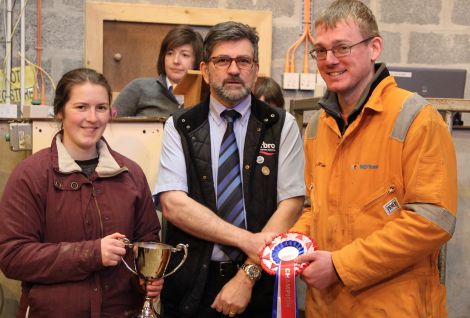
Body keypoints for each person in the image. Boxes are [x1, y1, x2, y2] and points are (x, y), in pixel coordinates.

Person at [291, 0, 457, 317]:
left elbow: (432, 220)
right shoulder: (317, 126)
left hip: (393, 308)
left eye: (342, 47)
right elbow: (315, 207)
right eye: (321, 50)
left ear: (374, 47)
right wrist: (296, 242)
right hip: (325, 307)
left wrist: (340, 265)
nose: (329, 60)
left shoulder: (416, 118)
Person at [154, 21, 305, 318]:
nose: (234, 69)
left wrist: (247, 275)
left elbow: (291, 203)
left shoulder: (281, 125)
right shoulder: (180, 126)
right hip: (191, 286)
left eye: (243, 60)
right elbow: (173, 205)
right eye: (223, 60)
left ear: (256, 68)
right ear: (206, 69)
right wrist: (245, 239)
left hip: (259, 281)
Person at [0, 68, 163, 318]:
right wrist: (92, 253)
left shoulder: (131, 174)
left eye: (101, 107)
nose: (92, 118)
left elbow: (146, 244)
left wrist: (146, 278)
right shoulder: (30, 175)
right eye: (81, 107)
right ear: (60, 111)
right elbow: (13, 256)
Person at [113, 25, 203, 117]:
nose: (176, 61)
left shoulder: (206, 98)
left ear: (196, 61)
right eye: (170, 53)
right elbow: (110, 126)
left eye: (184, 55)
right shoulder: (139, 88)